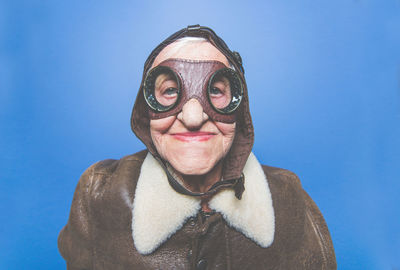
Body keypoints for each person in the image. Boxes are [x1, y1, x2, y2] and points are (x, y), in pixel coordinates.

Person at [58, 25, 336, 270]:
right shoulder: (99, 195)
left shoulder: (288, 199)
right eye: (169, 91)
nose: (193, 118)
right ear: (146, 109)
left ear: (239, 108)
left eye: (215, 90)